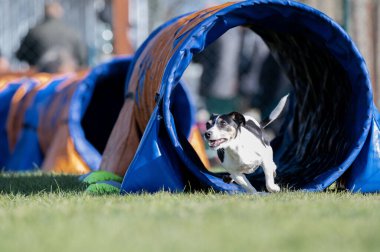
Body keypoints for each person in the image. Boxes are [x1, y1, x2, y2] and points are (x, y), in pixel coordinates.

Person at [15, 1, 87, 73]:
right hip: (67, 78)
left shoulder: (34, 32)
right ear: (59, 12)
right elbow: (82, 58)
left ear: (44, 12)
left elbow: (20, 55)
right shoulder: (72, 32)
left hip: (42, 78)